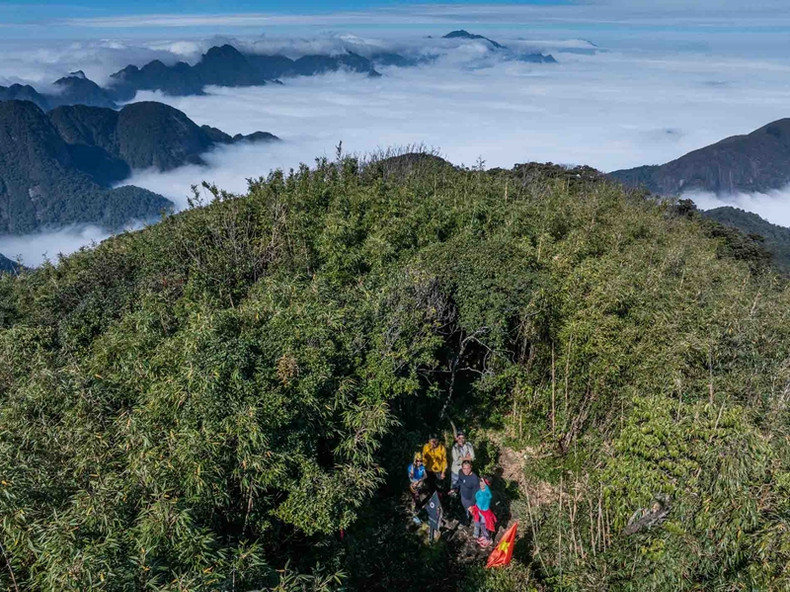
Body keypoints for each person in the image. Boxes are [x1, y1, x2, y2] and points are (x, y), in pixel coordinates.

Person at [469, 476, 497, 547]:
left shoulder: (487, 493)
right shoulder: (480, 490)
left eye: (483, 483)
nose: (481, 484)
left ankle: (488, 539)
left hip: (485, 513)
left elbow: (487, 495)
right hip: (478, 510)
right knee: (480, 524)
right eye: (481, 482)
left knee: (485, 527)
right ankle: (484, 536)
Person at [455, 460, 479, 526]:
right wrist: (455, 488)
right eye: (464, 468)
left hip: (470, 500)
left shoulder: (474, 478)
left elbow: (476, 492)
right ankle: (467, 516)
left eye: (468, 468)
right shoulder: (460, 472)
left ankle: (470, 521)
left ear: (471, 467)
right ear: (462, 468)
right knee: (465, 509)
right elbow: (459, 481)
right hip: (463, 496)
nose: (466, 471)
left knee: (472, 512)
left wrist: (471, 504)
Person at [407, 452, 427, 517]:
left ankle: (419, 508)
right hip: (414, 485)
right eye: (417, 460)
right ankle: (413, 511)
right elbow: (411, 477)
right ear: (415, 460)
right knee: (414, 497)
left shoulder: (422, 467)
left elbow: (425, 476)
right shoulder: (411, 467)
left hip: (420, 484)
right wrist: (413, 467)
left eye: (420, 461)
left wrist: (420, 480)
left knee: (419, 496)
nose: (419, 462)